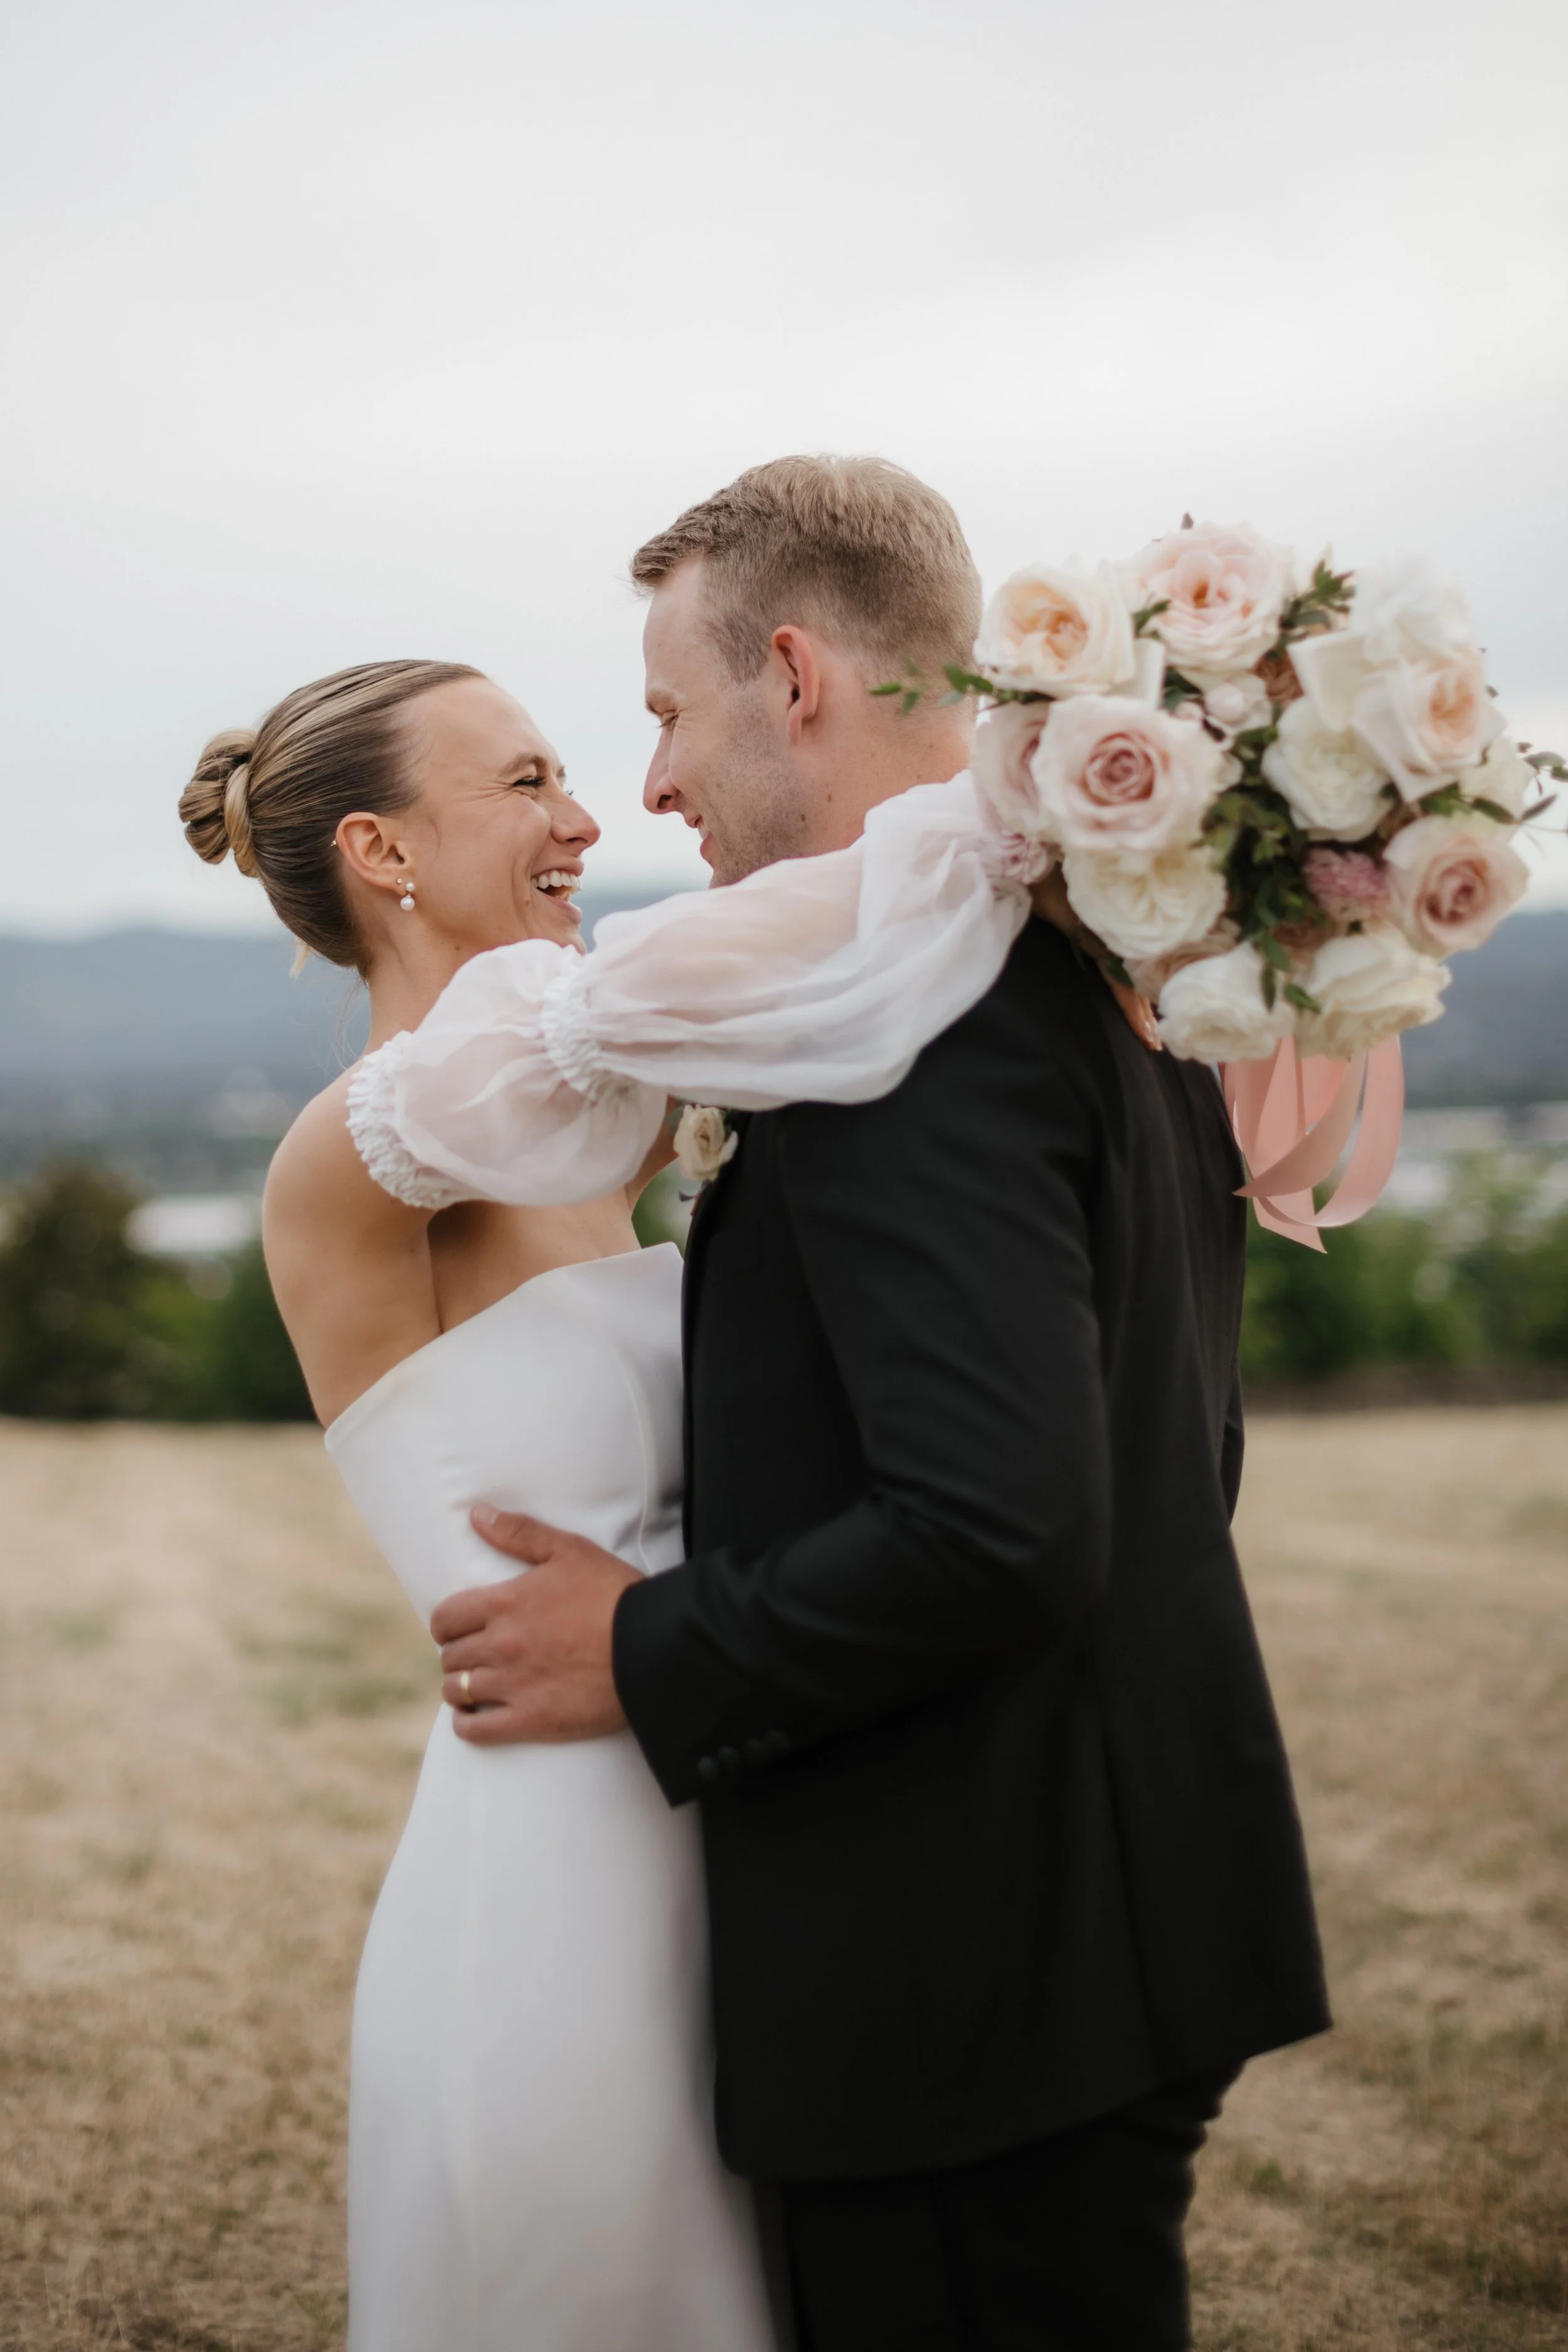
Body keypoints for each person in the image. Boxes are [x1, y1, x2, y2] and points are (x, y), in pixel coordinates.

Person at [361, 457, 1332, 2352]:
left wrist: (646, 1642)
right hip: (1088, 1912)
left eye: (662, 712)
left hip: (978, 1970)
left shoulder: (908, 1038)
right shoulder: (1078, 965)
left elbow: (1000, 1522)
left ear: (789, 674)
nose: (647, 787)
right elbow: (1182, 1443)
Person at [177, 663, 785, 2352]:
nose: (583, 819)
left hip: (722, 1802)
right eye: (525, 781)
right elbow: (513, 1069)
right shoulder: (360, 1155)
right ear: (379, 847)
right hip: (552, 1880)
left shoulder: (608, 1127)